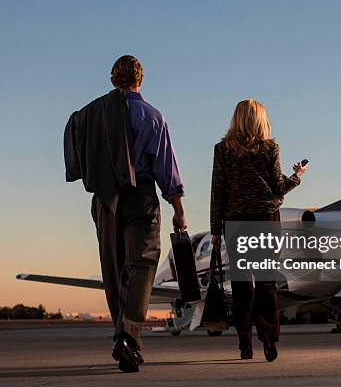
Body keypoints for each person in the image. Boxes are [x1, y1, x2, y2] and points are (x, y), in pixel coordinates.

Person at [64, 55, 187, 373]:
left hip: (105, 201)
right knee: (143, 266)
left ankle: (124, 338)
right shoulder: (152, 116)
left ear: (112, 79)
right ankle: (128, 337)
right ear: (140, 80)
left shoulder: (89, 115)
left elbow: (76, 154)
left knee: (114, 270)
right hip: (140, 199)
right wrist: (178, 210)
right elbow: (166, 168)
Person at [209, 99, 306, 362]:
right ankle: (269, 337)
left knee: (241, 284)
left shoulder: (222, 150)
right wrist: (297, 175)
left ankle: (244, 343)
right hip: (265, 220)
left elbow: (218, 191)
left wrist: (215, 230)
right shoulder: (269, 148)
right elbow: (278, 187)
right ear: (261, 120)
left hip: (236, 223)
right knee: (266, 282)